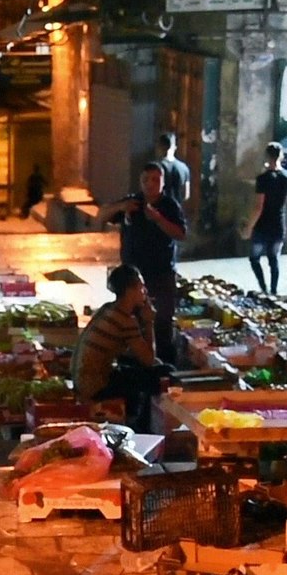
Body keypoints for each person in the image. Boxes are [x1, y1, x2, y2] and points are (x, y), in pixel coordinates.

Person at [94, 162, 188, 364]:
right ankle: (136, 363)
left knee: (162, 322)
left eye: (155, 180)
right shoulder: (132, 202)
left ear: (162, 182)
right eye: (146, 180)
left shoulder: (169, 206)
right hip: (133, 278)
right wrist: (121, 207)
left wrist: (159, 219)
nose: (150, 184)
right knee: (133, 322)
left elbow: (180, 234)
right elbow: (100, 216)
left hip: (161, 275)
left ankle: (164, 366)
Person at [71, 264, 171, 432]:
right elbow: (148, 359)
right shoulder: (124, 320)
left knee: (147, 369)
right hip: (94, 384)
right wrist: (149, 322)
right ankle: (141, 429)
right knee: (156, 376)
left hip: (84, 377)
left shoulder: (109, 309)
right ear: (130, 290)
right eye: (141, 286)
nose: (144, 291)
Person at [242, 142, 287, 296]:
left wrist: (248, 228)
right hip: (278, 222)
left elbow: (259, 206)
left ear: (267, 156)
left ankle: (263, 288)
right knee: (274, 258)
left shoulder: (263, 179)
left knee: (254, 258)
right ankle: (274, 290)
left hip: (262, 224)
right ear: (281, 156)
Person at [156, 132, 191, 204]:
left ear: (160, 146)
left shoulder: (155, 167)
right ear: (174, 147)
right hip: (176, 211)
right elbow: (186, 195)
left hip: (159, 211)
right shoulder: (184, 168)